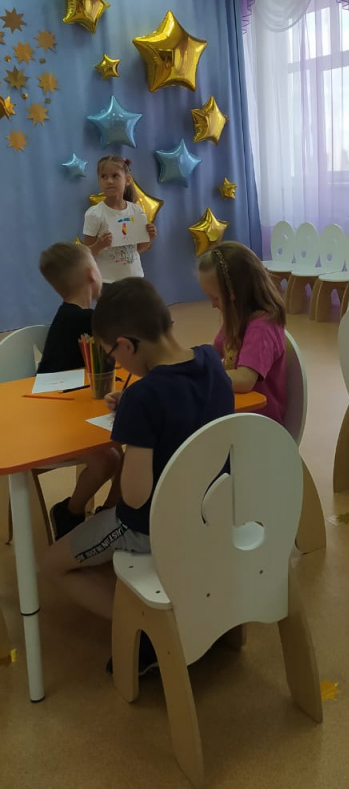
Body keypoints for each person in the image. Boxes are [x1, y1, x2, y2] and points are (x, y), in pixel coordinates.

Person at [40, 278, 235, 672]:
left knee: (49, 564)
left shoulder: (143, 399)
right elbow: (181, 402)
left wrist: (133, 424)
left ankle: (150, 628)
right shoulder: (211, 361)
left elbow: (134, 497)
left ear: (126, 345)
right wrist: (134, 405)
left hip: (152, 526)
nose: (115, 362)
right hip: (213, 513)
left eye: (111, 353)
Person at [38, 242, 122, 540]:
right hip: (55, 414)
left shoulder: (73, 314)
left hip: (75, 406)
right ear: (91, 274)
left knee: (128, 448)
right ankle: (70, 512)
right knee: (111, 459)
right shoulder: (85, 320)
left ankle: (110, 515)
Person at [197, 242, 287, 424]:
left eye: (215, 298)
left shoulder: (262, 327)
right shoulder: (237, 316)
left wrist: (205, 377)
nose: (213, 305)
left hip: (260, 421)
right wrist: (188, 359)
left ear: (236, 294)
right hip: (238, 412)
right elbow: (216, 350)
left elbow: (245, 380)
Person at [83, 155, 156, 282]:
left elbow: (138, 249)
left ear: (127, 180)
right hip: (107, 281)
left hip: (135, 278)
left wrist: (150, 237)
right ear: (99, 180)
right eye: (104, 176)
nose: (109, 181)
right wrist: (100, 245)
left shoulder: (136, 211)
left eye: (115, 176)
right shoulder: (94, 214)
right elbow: (87, 253)